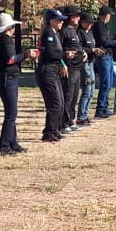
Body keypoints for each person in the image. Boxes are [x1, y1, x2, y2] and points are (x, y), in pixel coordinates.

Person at [0, 11, 34, 156]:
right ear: (9, 28)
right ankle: (4, 146)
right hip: (7, 78)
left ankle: (12, 142)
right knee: (11, 113)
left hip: (6, 78)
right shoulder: (5, 40)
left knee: (11, 112)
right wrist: (26, 55)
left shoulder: (1, 39)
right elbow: (11, 59)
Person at [36, 8, 68, 142]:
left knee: (60, 101)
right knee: (55, 103)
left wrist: (62, 62)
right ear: (51, 21)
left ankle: (55, 129)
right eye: (59, 20)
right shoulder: (48, 33)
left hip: (54, 70)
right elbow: (50, 53)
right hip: (47, 71)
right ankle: (48, 132)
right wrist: (65, 55)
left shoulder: (55, 34)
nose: (61, 23)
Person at [59, 6, 86, 134]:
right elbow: (58, 50)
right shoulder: (64, 31)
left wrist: (83, 52)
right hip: (69, 68)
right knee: (68, 97)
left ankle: (71, 120)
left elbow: (77, 46)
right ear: (69, 18)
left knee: (74, 96)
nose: (78, 18)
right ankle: (64, 123)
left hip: (77, 68)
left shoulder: (74, 30)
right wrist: (64, 57)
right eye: (76, 16)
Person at [91, 6, 116, 118]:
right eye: (109, 15)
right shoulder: (99, 25)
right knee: (105, 84)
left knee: (108, 84)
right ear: (105, 15)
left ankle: (105, 107)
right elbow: (104, 42)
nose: (110, 18)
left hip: (108, 56)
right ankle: (101, 108)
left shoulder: (103, 26)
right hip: (103, 56)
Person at [76, 9, 98, 126]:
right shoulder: (79, 33)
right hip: (84, 64)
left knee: (91, 91)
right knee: (86, 90)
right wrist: (92, 50)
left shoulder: (90, 32)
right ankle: (81, 116)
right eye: (87, 22)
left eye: (91, 23)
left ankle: (85, 114)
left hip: (91, 62)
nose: (90, 24)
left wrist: (95, 51)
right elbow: (79, 48)